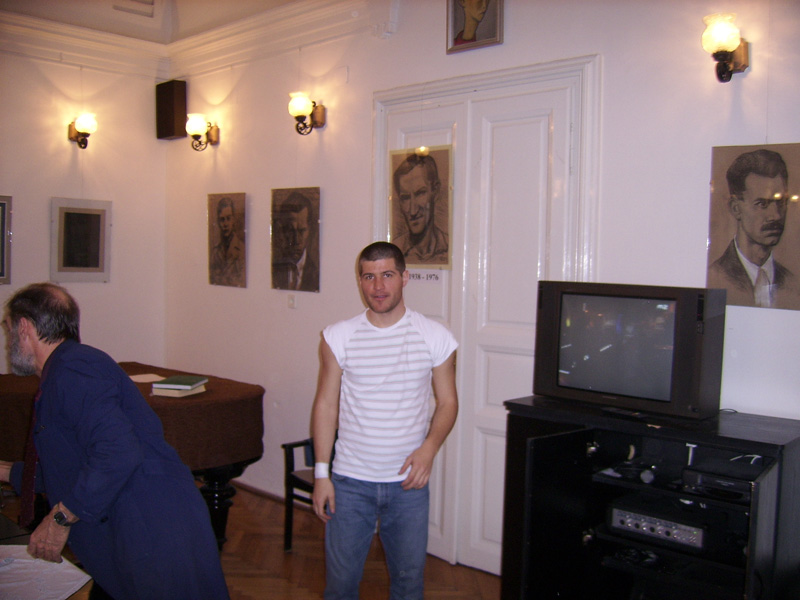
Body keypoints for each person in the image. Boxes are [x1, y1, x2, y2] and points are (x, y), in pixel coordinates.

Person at [0, 283, 229, 600]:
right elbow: (74, 464)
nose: (8, 339)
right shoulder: (67, 368)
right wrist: (6, 471)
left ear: (25, 327)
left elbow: (118, 451)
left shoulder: (74, 368)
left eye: (8, 328)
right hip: (133, 524)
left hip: (149, 527)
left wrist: (60, 518)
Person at [311, 241, 458, 599]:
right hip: (349, 483)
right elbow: (326, 406)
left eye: (387, 275)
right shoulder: (337, 336)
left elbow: (448, 402)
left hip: (408, 484)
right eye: (369, 277)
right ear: (360, 281)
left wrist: (429, 449)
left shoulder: (435, 336)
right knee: (340, 586)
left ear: (405, 278)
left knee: (408, 585)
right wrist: (321, 474)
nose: (378, 287)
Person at [707, 148, 797, 308]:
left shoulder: (792, 284)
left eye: (781, 203)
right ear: (736, 208)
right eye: (762, 204)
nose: (776, 216)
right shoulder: (715, 277)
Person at [392, 153, 449, 265]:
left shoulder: (451, 246)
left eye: (420, 193)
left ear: (435, 191)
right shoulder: (394, 250)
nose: (413, 210)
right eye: (405, 198)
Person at [272, 191, 320, 292]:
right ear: (282, 230)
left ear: (310, 230)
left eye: (302, 231)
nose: (296, 240)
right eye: (290, 231)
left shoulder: (316, 274)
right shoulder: (273, 270)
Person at [209, 196, 246, 287]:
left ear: (233, 220)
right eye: (222, 219)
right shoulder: (215, 252)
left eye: (228, 218)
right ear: (218, 222)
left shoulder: (242, 249)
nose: (225, 224)